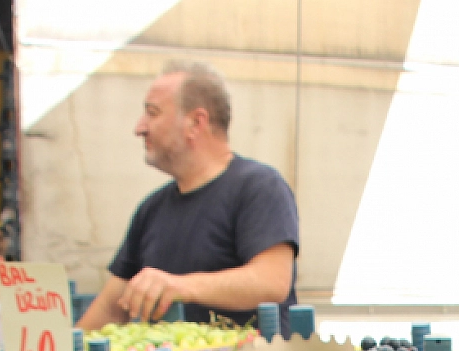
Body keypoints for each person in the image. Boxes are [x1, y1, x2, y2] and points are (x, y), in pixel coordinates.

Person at [76, 61, 297, 331]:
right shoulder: (152, 209)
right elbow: (112, 307)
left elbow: (271, 282)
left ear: (196, 122)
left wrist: (180, 285)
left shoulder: (258, 186)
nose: (139, 127)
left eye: (152, 113)